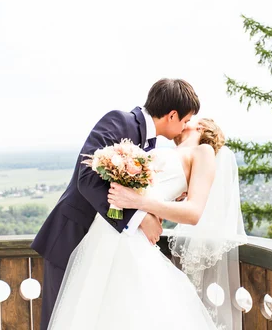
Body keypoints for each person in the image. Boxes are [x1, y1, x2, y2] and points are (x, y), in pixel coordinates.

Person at [31, 78, 200, 330]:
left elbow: (129, 188)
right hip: (74, 235)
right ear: (172, 115)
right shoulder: (119, 121)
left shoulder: (150, 143)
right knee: (62, 319)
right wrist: (140, 217)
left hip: (107, 245)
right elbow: (87, 179)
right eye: (185, 120)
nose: (186, 126)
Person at [46, 118, 235, 329]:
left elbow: (193, 213)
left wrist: (140, 203)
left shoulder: (203, 152)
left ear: (201, 128)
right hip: (103, 233)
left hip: (132, 239)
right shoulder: (164, 150)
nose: (183, 122)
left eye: (189, 120)